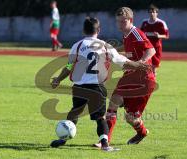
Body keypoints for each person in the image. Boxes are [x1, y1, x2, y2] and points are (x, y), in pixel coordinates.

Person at [49, 17, 150, 151]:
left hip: (79, 88)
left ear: (84, 30)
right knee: (100, 118)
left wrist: (58, 79)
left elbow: (69, 66)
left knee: (74, 113)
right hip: (97, 87)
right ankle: (105, 145)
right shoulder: (105, 46)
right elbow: (122, 61)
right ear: (99, 30)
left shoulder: (77, 45)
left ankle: (63, 139)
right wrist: (138, 65)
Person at [94, 7, 156, 147]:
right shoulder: (126, 35)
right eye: (118, 22)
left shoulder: (136, 33)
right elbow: (129, 50)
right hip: (130, 76)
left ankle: (142, 132)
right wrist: (112, 53)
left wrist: (140, 63)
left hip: (144, 79)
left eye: (123, 22)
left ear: (130, 20)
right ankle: (105, 140)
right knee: (114, 101)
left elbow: (151, 50)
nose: (120, 25)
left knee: (131, 118)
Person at [140, 4, 169, 75]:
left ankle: (152, 83)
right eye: (150, 12)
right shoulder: (144, 22)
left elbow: (166, 35)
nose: (152, 14)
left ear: (157, 13)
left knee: (154, 67)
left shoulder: (161, 23)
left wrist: (159, 35)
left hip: (156, 47)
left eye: (153, 12)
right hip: (146, 48)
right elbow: (140, 34)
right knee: (145, 66)